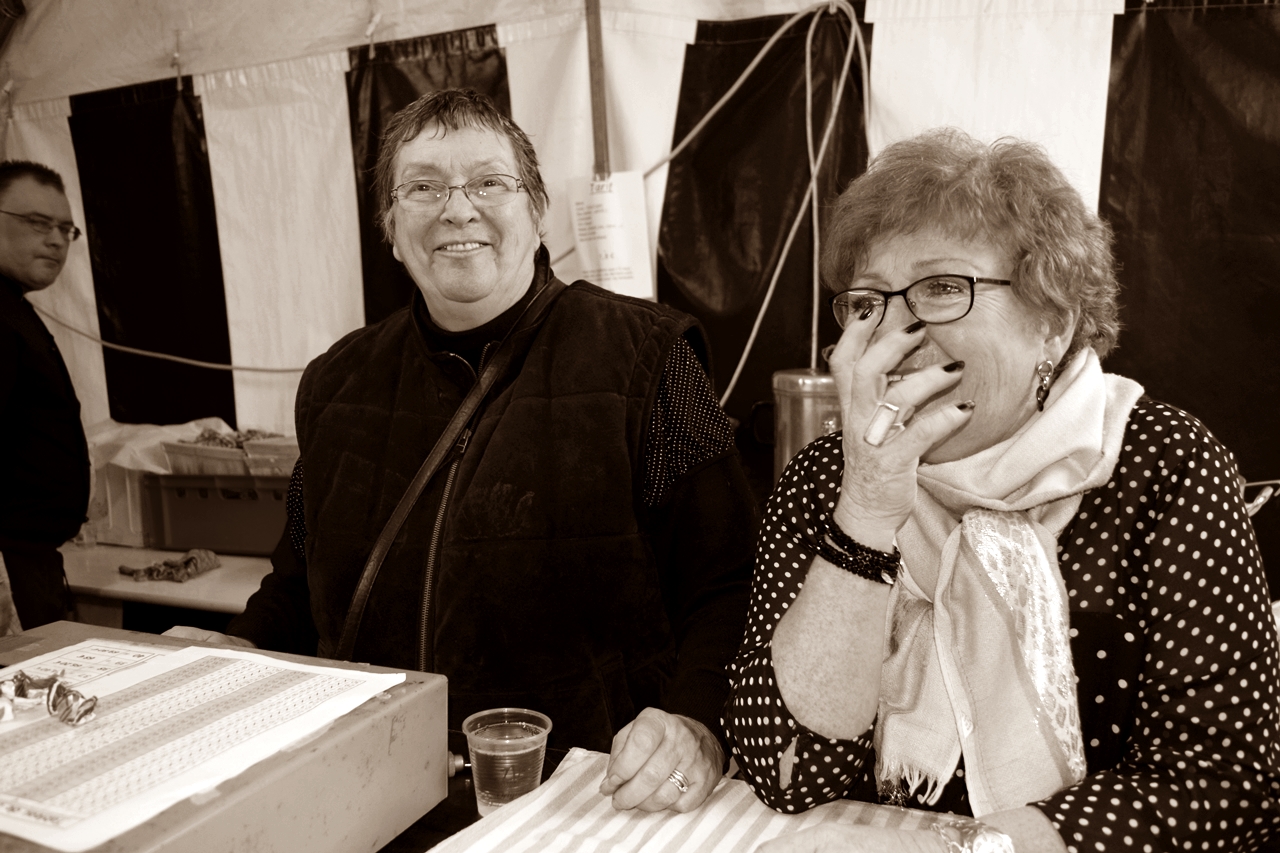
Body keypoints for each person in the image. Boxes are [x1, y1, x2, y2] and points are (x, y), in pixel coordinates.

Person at [170, 89, 757, 813]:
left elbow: (727, 583)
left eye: (488, 182)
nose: (457, 209)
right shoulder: (336, 383)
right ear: (390, 229)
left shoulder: (647, 358)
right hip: (370, 787)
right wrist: (243, 647)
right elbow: (300, 580)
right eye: (422, 187)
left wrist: (697, 723)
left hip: (581, 795)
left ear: (537, 212)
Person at [724, 128, 1280, 852]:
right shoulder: (830, 475)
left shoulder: (1165, 464)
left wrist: (968, 849)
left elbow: (1227, 784)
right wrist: (865, 510)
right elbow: (785, 772)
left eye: (942, 288)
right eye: (869, 301)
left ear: (1053, 322)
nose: (897, 331)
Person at [0, 161, 88, 631]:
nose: (56, 240)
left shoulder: (13, 307)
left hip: (31, 560)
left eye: (66, 229)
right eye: (38, 223)